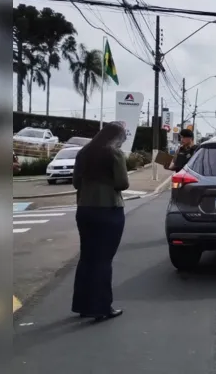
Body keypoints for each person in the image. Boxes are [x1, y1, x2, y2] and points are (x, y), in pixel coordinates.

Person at [71, 121, 129, 321]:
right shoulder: (114, 154)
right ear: (117, 137)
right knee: (103, 260)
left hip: (84, 210)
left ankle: (82, 305)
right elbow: (123, 183)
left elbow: (75, 183)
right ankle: (102, 307)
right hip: (108, 210)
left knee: (87, 258)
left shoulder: (83, 153)